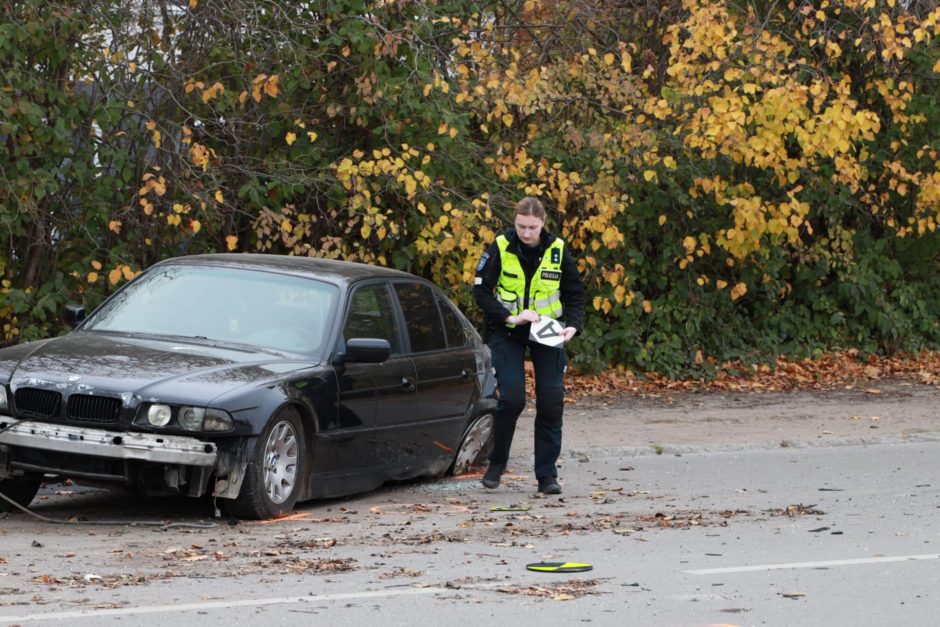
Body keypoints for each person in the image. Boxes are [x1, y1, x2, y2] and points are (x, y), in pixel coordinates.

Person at [473, 196, 585, 494]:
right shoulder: (499, 246)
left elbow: (574, 293)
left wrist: (573, 324)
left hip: (548, 333)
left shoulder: (558, 250)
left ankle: (546, 476)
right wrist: (512, 315)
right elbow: (481, 293)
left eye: (532, 227)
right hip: (509, 330)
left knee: (551, 401)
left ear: (543, 224)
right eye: (521, 226)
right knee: (511, 399)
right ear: (515, 222)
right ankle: (496, 465)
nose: (526, 233)